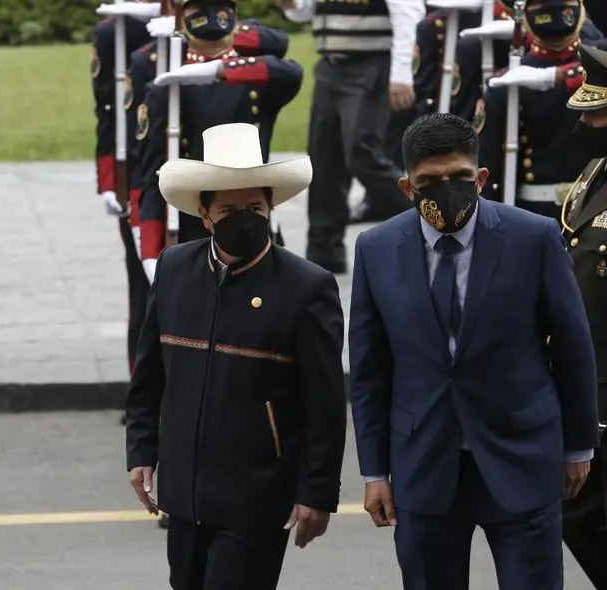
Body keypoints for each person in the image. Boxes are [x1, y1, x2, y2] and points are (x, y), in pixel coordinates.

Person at [348, 112, 599, 589]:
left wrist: (577, 446)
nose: (446, 189)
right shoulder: (375, 249)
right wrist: (375, 470)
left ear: (481, 178)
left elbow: (572, 346)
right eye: (429, 181)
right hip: (423, 465)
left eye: (460, 178)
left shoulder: (534, 237)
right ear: (407, 188)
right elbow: (369, 370)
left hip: (522, 455)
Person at [125, 122, 346, 590]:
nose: (243, 218)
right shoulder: (174, 268)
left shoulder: (307, 288)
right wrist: (141, 450)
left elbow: (325, 405)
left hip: (258, 499)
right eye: (229, 209)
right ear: (204, 214)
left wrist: (317, 493)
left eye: (255, 208)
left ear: (271, 208)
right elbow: (150, 377)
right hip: (184, 495)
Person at [135, 0, 303, 285]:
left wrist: (220, 70)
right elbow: (154, 171)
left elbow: (291, 72)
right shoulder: (169, 87)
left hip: (254, 209)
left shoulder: (253, 78)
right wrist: (151, 247)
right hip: (198, 215)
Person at [277, 0, 423, 273]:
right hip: (330, 67)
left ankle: (428, 213)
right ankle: (324, 253)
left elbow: (408, 13)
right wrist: (291, 5)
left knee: (361, 152)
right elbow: (307, 11)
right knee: (324, 158)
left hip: (372, 65)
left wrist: (402, 73)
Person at [558, 41, 607, 590]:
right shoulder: (599, 173)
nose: (588, 121)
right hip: (590, 384)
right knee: (575, 514)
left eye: (601, 112)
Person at [90, 1, 160, 428]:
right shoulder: (112, 34)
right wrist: (109, 179)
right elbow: (110, 111)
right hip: (139, 172)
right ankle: (145, 388)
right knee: (144, 283)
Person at [477, 0, 603, 219]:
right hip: (533, 210)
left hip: (592, 203)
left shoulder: (602, 67)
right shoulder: (506, 83)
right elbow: (486, 166)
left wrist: (558, 76)